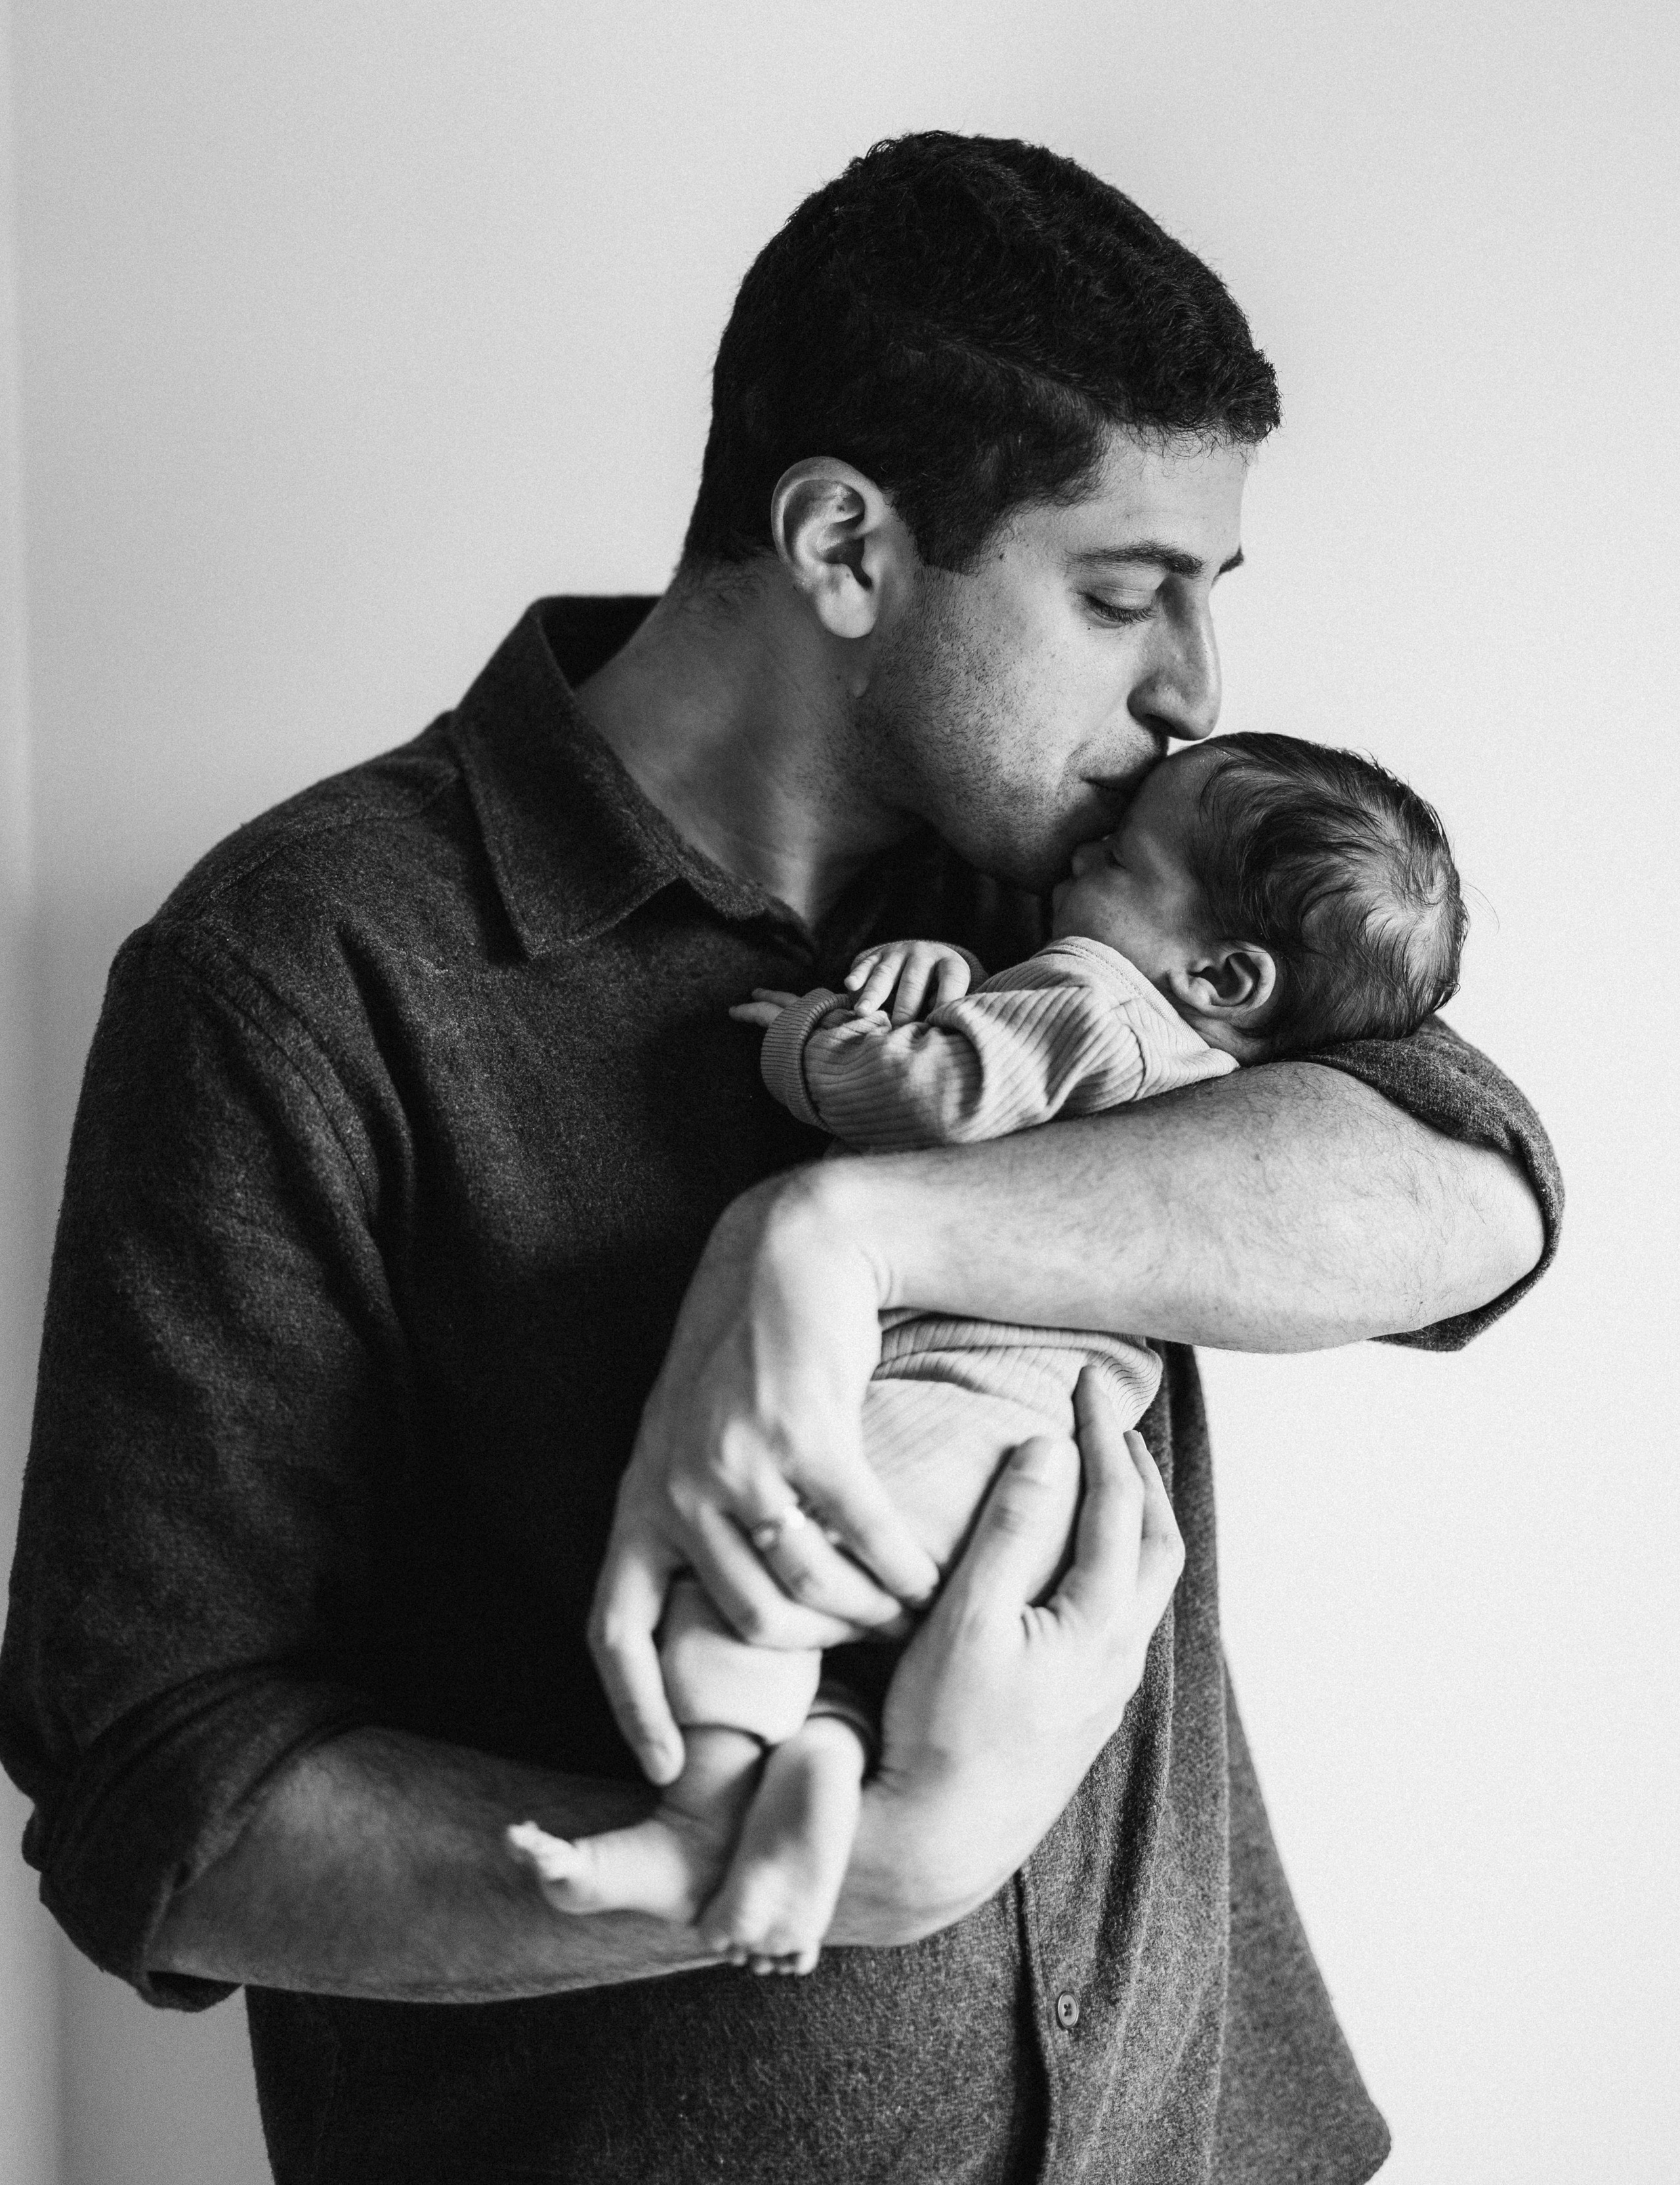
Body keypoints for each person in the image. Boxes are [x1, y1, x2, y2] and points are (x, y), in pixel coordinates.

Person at [0, 134, 1560, 2185]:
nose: (1196, 691)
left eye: (1209, 597)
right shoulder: (297, 973)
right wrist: (822, 1870)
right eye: (1123, 596)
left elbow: (1470, 1186)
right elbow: (155, 1793)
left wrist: (842, 1223)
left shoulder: (1102, 892)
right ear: (843, 544)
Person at [516, 730, 1471, 1977]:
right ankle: (820, 1768)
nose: (1081, 848)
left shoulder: (1098, 988)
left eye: (1120, 855)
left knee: (741, 1557)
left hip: (943, 1399)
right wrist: (954, 968)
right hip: (1038, 1461)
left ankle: (694, 1827)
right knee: (837, 1665)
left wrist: (811, 1041)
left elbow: (944, 1093)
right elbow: (1030, 1061)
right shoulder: (1210, 1073)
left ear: (1226, 972)